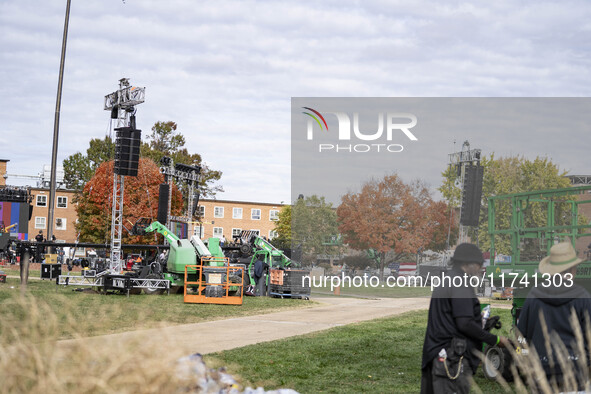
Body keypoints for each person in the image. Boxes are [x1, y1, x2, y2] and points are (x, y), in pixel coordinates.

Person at [421, 243, 509, 394]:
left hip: (437, 352)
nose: (481, 268)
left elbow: (451, 320)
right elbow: (464, 324)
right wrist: (495, 340)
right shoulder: (460, 283)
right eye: (479, 264)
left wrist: (484, 324)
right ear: (466, 263)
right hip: (452, 358)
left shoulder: (448, 279)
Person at [517, 241, 591, 391]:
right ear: (572, 269)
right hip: (575, 378)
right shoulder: (583, 297)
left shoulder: (533, 295)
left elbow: (520, 338)